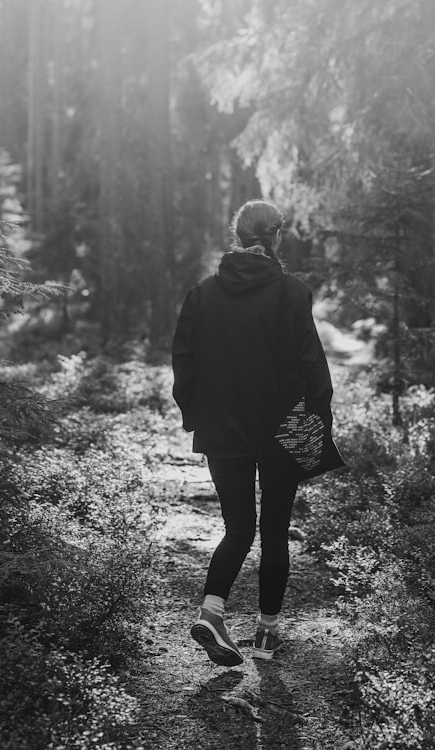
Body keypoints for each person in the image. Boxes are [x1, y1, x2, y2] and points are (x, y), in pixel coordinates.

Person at [171, 199, 336, 666]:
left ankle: (212, 609)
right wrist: (315, 424)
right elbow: (313, 366)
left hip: (222, 431)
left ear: (237, 237)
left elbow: (183, 366)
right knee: (275, 531)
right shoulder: (292, 292)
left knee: (238, 527)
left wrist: (196, 418)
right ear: (277, 236)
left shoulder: (201, 295)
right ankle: (266, 635)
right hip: (281, 430)